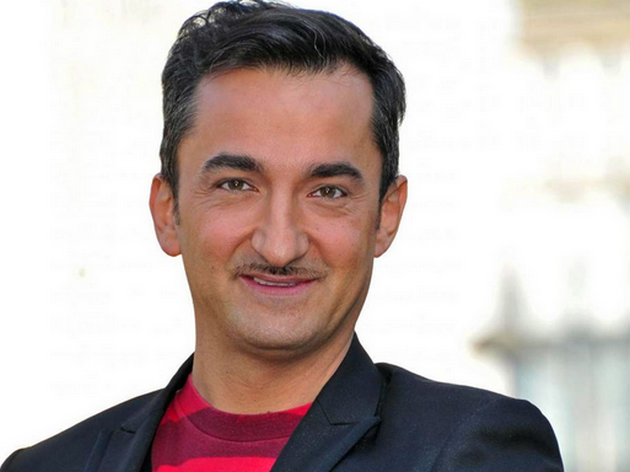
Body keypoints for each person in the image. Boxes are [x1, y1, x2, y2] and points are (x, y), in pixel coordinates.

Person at [1, 1, 563, 471]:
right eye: (237, 184)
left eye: (328, 192)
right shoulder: (47, 466)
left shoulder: (473, 450)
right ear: (167, 212)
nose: (279, 245)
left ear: (386, 216)